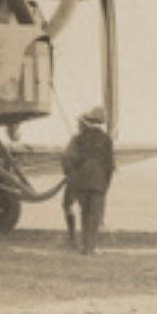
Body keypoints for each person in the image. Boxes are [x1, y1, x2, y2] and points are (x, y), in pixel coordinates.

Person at [61, 105, 115, 255]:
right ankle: (91, 247)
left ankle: (85, 247)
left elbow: (68, 159)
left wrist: (71, 174)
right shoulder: (106, 140)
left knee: (84, 213)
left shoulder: (78, 139)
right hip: (98, 183)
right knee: (95, 216)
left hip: (80, 182)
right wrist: (106, 186)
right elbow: (109, 166)